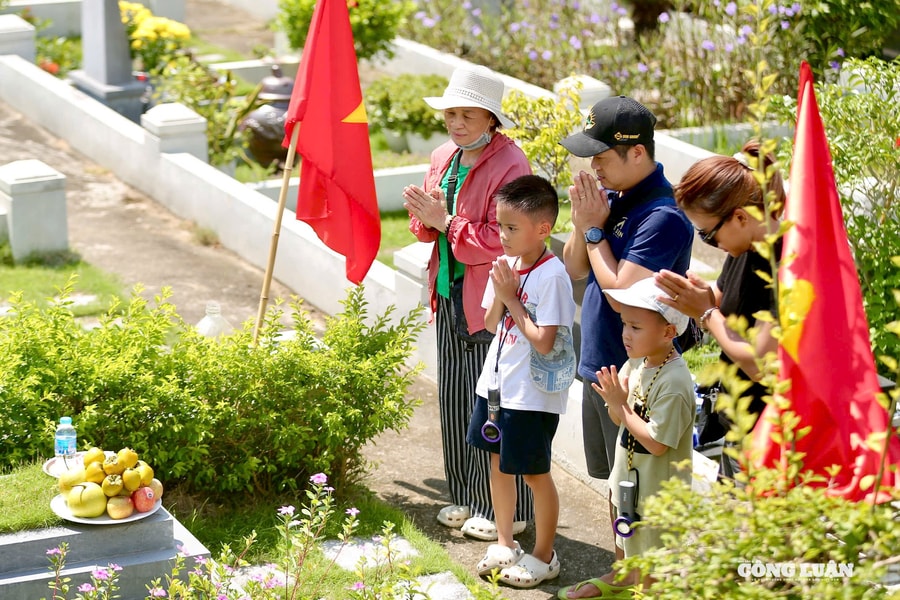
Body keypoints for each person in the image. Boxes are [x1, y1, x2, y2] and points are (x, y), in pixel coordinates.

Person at [557, 96, 693, 599]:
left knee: (642, 484)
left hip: (638, 369)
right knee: (616, 481)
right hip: (602, 363)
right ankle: (623, 572)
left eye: (602, 157)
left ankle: (642, 578)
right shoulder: (614, 197)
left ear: (637, 153)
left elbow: (621, 295)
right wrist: (582, 222)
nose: (593, 167)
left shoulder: (662, 215)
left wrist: (595, 229)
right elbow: (574, 269)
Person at [403, 65, 533, 540]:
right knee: (455, 400)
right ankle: (466, 495)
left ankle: (509, 509)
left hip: (490, 298)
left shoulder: (511, 164)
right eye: (450, 113)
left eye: (467, 114)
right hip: (449, 293)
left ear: (491, 118)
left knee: (494, 405)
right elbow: (426, 227)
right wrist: (424, 215)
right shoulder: (445, 154)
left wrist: (444, 220)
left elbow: (502, 239)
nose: (456, 123)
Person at [466, 175, 575, 588]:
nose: (502, 235)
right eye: (499, 226)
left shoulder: (553, 276)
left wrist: (512, 298)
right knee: (497, 463)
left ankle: (544, 555)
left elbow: (545, 344)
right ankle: (505, 540)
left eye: (511, 228)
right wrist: (500, 293)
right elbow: (491, 324)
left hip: (532, 394)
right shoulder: (507, 265)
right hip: (496, 386)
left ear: (543, 229)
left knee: (533, 473)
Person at [557, 277, 695, 598]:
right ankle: (622, 580)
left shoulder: (674, 382)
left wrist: (621, 403)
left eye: (636, 327)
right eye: (624, 324)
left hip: (657, 494)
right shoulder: (639, 362)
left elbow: (657, 442)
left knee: (650, 561)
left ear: (668, 332)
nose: (625, 334)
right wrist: (615, 401)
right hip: (628, 480)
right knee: (626, 540)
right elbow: (617, 417)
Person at [654, 139, 783, 479]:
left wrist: (706, 314)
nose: (712, 244)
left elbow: (761, 365)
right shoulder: (746, 248)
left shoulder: (784, 264)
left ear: (740, 217)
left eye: (709, 235)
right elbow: (721, 296)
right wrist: (690, 296)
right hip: (737, 421)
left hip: (772, 437)